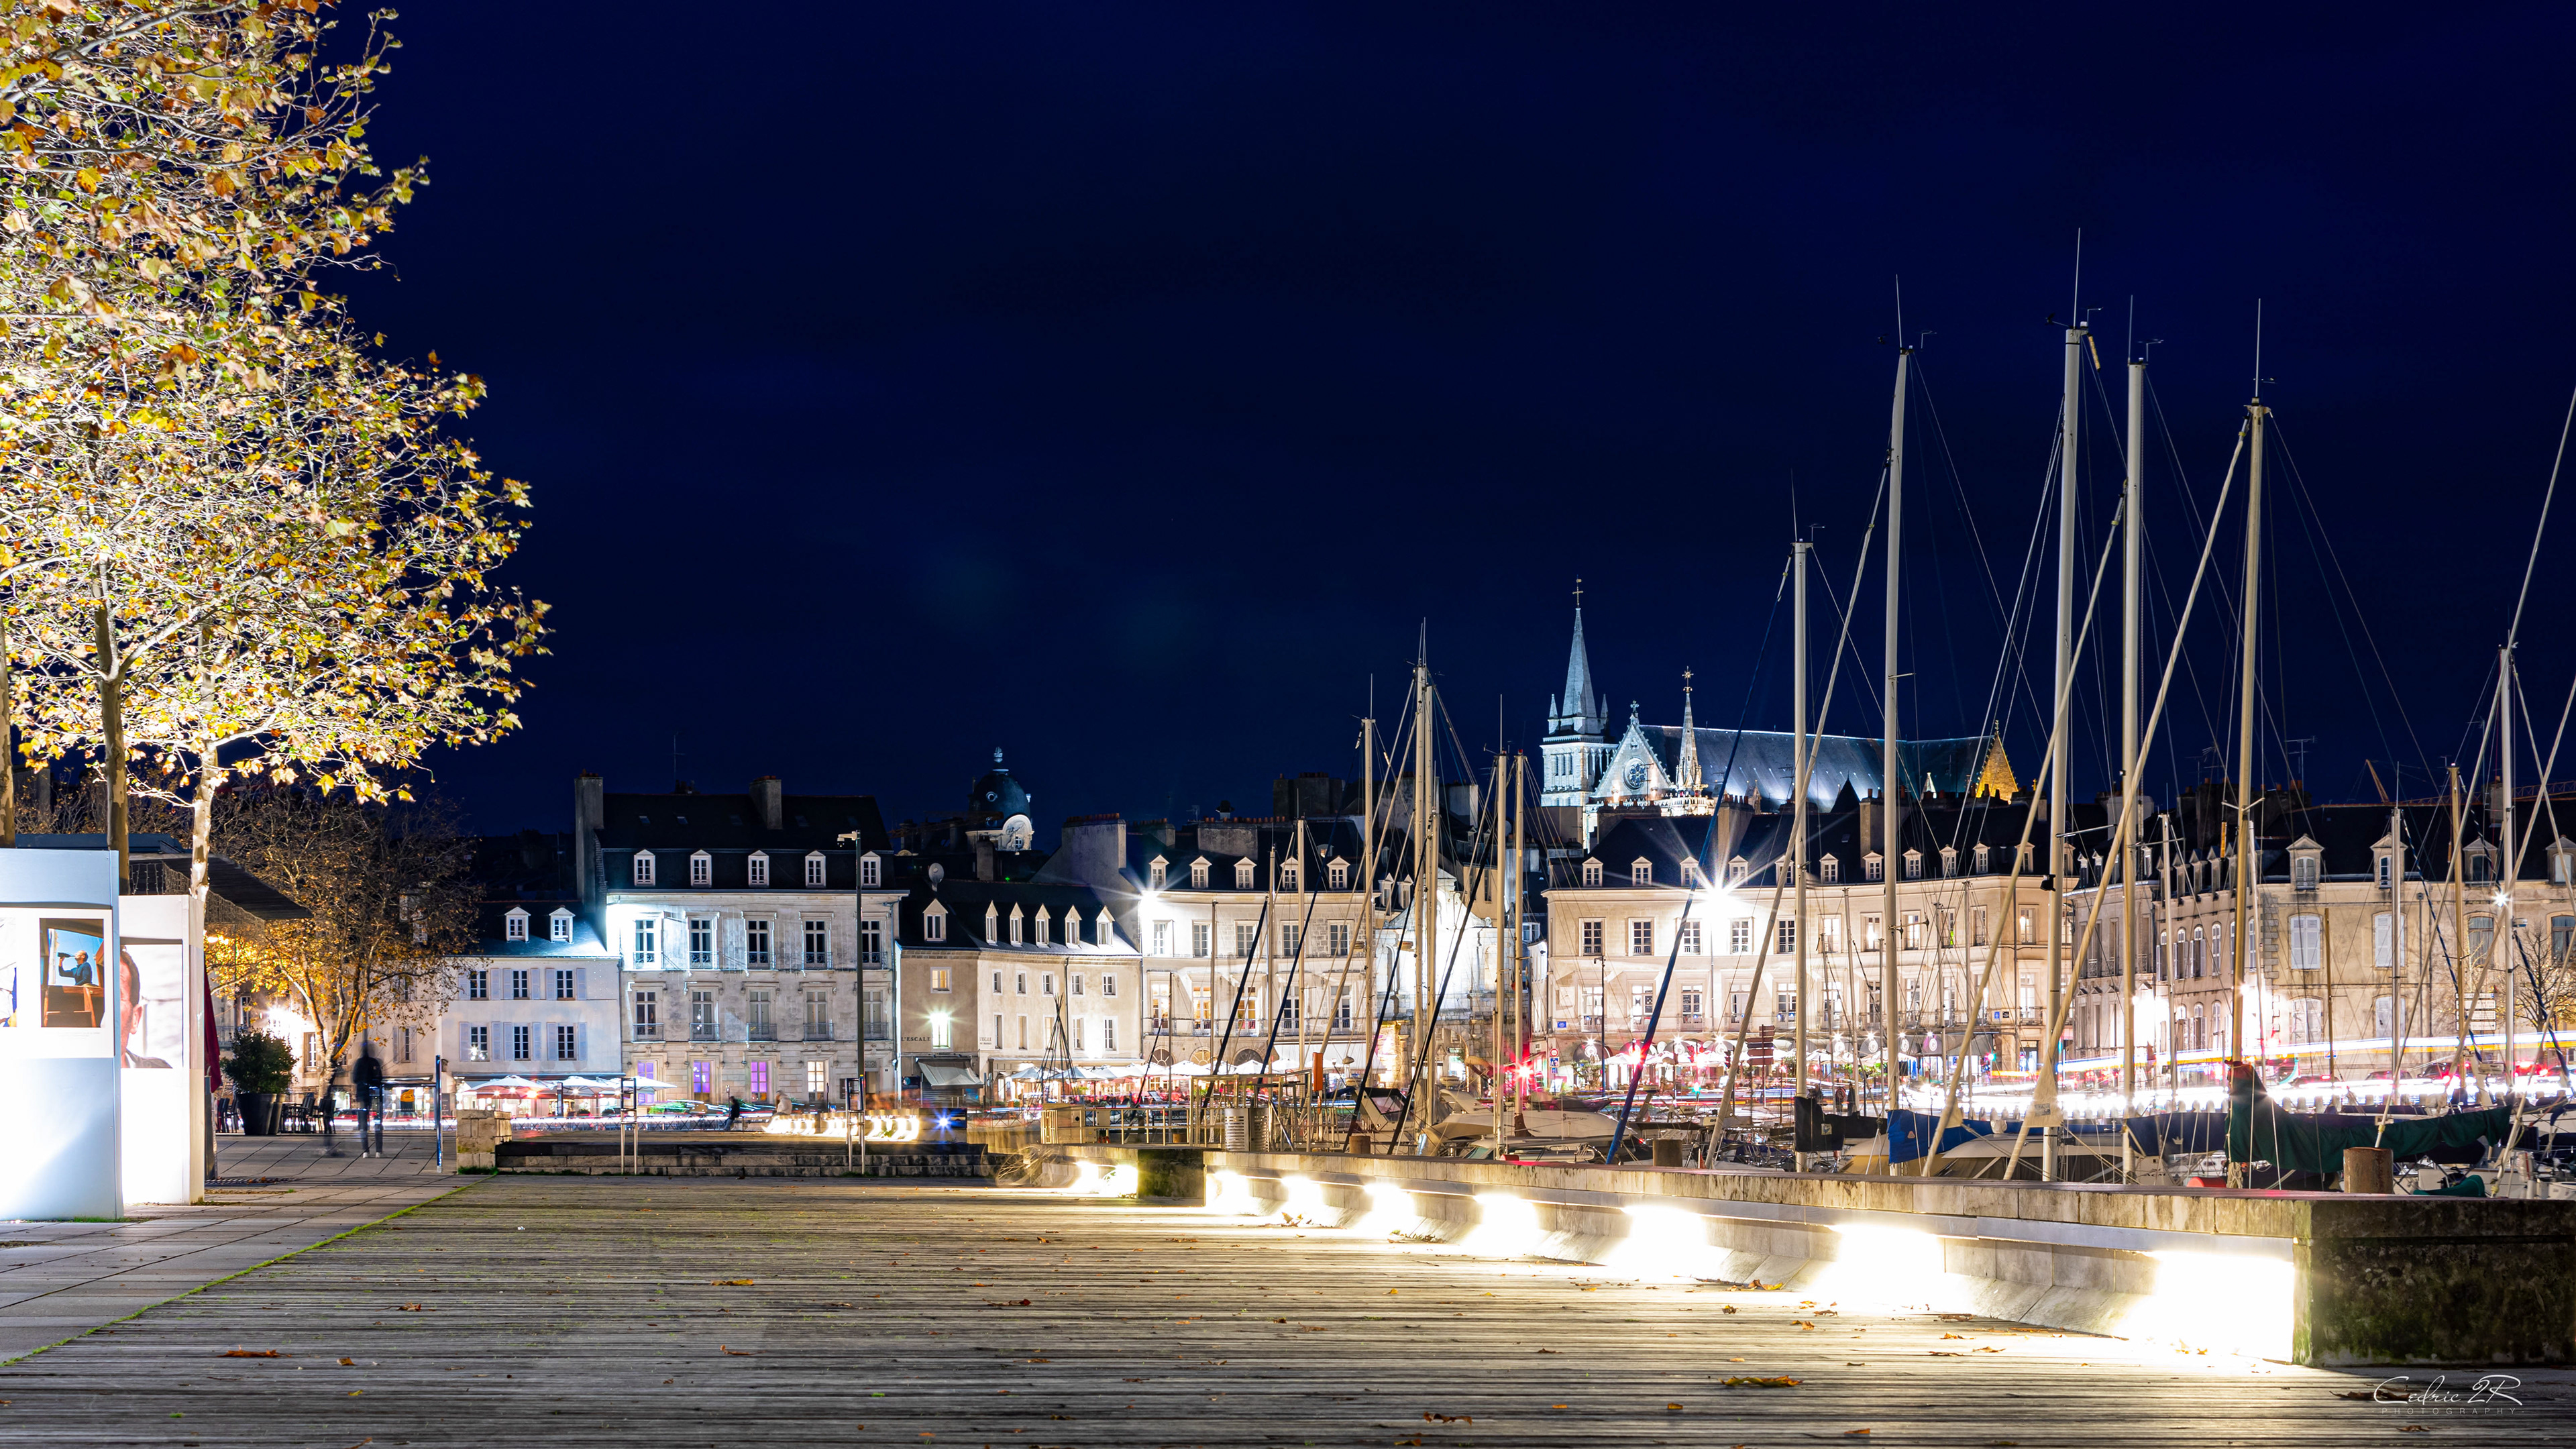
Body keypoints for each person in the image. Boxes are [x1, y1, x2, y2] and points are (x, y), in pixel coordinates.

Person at [352, 1042, 386, 1157]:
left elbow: (355, 1078)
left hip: (362, 1095)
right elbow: (379, 1078)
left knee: (363, 1125)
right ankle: (378, 1151)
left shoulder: (359, 1063)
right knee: (377, 1123)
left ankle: (365, 1151)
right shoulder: (375, 1062)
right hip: (375, 1094)